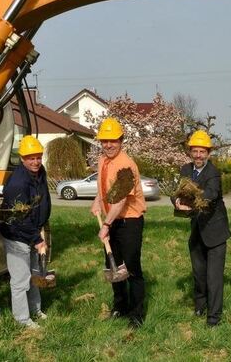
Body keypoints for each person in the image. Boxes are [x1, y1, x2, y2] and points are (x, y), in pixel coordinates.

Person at [90, 117, 147, 327]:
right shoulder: (103, 160)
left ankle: (137, 315)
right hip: (112, 220)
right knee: (113, 267)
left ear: (121, 140)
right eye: (104, 141)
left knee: (130, 268)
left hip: (129, 222)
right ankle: (120, 307)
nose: (108, 145)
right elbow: (104, 187)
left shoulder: (126, 166)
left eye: (112, 140)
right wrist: (98, 201)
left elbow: (121, 199)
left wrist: (106, 225)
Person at [172, 130, 231, 327]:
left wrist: (193, 201)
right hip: (197, 230)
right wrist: (177, 201)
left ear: (208, 153)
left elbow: (212, 194)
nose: (198, 155)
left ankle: (213, 318)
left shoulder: (213, 173)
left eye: (202, 151)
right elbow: (177, 192)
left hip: (215, 231)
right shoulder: (185, 170)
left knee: (213, 277)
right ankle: (200, 305)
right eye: (195, 151)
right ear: (190, 152)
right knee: (198, 273)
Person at [0, 136, 51, 329]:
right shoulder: (18, 183)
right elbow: (19, 218)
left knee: (35, 273)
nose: (35, 161)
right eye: (31, 158)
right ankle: (22, 319)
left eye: (38, 157)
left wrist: (42, 225)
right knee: (20, 279)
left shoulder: (39, 172)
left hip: (33, 229)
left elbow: (41, 200)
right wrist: (36, 239)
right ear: (22, 159)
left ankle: (35, 310)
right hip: (17, 235)